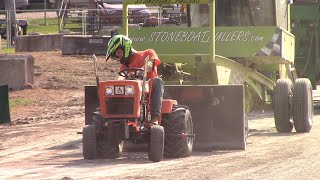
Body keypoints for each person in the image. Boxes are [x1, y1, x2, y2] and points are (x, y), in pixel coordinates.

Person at [106, 34, 164, 125]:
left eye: (118, 53)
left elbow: (150, 65)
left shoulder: (148, 53)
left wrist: (138, 73)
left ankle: (154, 118)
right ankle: (113, 116)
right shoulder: (124, 67)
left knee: (157, 81)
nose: (118, 56)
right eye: (116, 55)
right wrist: (118, 81)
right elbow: (119, 78)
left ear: (126, 48)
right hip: (132, 94)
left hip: (148, 90)